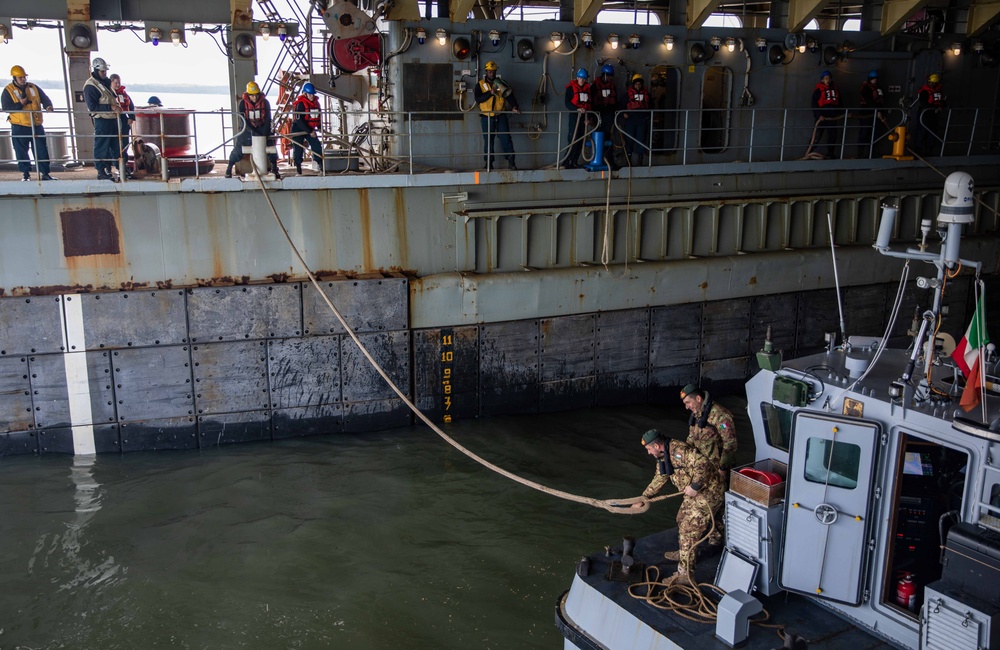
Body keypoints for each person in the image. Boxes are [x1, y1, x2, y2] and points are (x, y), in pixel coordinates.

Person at [634, 429, 724, 586]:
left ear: (656, 445)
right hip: (695, 494)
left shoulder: (679, 451)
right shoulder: (663, 456)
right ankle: (685, 553)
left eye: (649, 449)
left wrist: (696, 485)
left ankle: (685, 576)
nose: (649, 453)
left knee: (688, 531)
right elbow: (661, 476)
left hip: (708, 493)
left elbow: (703, 463)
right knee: (681, 518)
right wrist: (645, 497)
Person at [2, 65, 56, 181]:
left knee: (41, 150)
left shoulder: (33, 87)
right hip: (19, 126)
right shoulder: (8, 91)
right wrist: (20, 104)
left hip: (36, 124)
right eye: (20, 77)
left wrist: (48, 106)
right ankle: (26, 174)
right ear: (14, 78)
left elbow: (44, 98)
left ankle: (45, 174)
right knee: (21, 151)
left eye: (24, 77)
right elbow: (6, 107)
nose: (23, 79)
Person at [226, 81, 280, 179]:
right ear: (248, 95)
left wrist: (264, 133)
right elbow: (243, 121)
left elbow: (268, 119)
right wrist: (253, 132)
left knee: (271, 146)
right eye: (252, 95)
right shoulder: (243, 104)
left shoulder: (265, 103)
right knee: (239, 148)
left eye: (256, 95)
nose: (254, 98)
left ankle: (274, 168)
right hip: (248, 129)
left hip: (262, 128)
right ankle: (229, 167)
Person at [474, 61, 520, 171]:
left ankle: (511, 161)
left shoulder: (501, 83)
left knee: (506, 138)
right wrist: (490, 93)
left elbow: (509, 96)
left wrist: (515, 106)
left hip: (500, 115)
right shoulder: (480, 85)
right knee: (488, 140)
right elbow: (478, 99)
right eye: (490, 72)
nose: (492, 74)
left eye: (493, 71)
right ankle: (489, 163)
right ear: (486, 72)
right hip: (487, 116)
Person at [680, 383, 737, 471]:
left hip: (717, 469)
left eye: (688, 402)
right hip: (703, 468)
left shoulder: (719, 415)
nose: (687, 407)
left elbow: (730, 442)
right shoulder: (697, 414)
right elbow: (691, 438)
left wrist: (723, 468)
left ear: (698, 399)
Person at [83, 57, 122, 181]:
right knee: (101, 145)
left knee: (116, 145)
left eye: (105, 71)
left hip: (112, 119)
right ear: (96, 70)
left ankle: (119, 169)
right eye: (102, 71)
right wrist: (110, 107)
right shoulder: (91, 86)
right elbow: (92, 107)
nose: (105, 74)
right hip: (102, 120)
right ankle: (101, 171)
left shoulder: (105, 82)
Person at [560, 68, 592, 169]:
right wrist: (576, 109)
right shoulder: (570, 89)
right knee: (573, 139)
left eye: (584, 78)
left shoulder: (588, 89)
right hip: (575, 116)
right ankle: (566, 162)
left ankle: (574, 161)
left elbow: (590, 104)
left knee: (581, 140)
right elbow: (567, 103)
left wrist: (589, 119)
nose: (582, 80)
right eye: (580, 78)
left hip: (584, 117)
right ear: (577, 78)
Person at [290, 82, 323, 175]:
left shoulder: (317, 104)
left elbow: (318, 117)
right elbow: (299, 120)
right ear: (305, 94)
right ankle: (298, 169)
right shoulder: (300, 104)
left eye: (313, 94)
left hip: (310, 128)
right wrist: (310, 131)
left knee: (316, 146)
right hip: (298, 128)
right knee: (298, 148)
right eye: (309, 94)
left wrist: (320, 127)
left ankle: (321, 166)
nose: (312, 96)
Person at [591, 63, 618, 166]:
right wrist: (592, 116)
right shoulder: (595, 86)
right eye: (609, 76)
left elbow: (615, 100)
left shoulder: (612, 86)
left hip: (609, 115)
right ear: (604, 75)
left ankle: (608, 160)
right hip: (598, 114)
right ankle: (597, 159)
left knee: (608, 137)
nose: (610, 78)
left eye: (611, 76)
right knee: (597, 136)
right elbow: (591, 101)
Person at [810, 70, 841, 159]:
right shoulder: (818, 90)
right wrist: (819, 115)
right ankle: (810, 152)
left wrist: (841, 113)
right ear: (822, 80)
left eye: (829, 78)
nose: (827, 80)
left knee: (833, 135)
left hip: (832, 117)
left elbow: (840, 102)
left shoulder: (835, 89)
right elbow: (814, 104)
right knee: (817, 135)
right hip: (822, 117)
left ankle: (830, 154)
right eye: (825, 79)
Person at [110, 74, 135, 179]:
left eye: (118, 82)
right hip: (112, 121)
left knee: (124, 144)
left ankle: (123, 166)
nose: (117, 85)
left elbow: (131, 106)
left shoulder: (124, 94)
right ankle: (115, 165)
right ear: (111, 82)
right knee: (114, 145)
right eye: (115, 83)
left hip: (123, 120)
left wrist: (131, 117)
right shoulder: (108, 94)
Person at [622, 73, 650, 166]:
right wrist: (623, 114)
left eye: (639, 84)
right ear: (633, 85)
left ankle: (640, 160)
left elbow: (651, 105)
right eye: (636, 84)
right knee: (629, 139)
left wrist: (648, 115)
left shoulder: (646, 94)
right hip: (631, 120)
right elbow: (621, 105)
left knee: (640, 140)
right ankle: (628, 159)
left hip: (642, 120)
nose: (638, 86)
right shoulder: (627, 95)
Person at [916, 73, 946, 155]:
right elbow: (923, 103)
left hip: (934, 116)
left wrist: (940, 106)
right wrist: (935, 107)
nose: (932, 84)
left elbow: (943, 102)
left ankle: (929, 152)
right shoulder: (924, 92)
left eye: (934, 83)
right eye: (930, 82)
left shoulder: (939, 91)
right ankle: (918, 152)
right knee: (921, 133)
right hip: (925, 115)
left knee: (931, 134)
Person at [858, 70, 886, 158]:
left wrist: (882, 113)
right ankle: (861, 153)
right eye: (873, 79)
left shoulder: (879, 88)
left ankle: (872, 152)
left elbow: (880, 102)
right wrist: (877, 111)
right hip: (866, 114)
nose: (875, 80)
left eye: (876, 79)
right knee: (864, 133)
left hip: (877, 115)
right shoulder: (866, 88)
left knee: (875, 134)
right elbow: (869, 101)